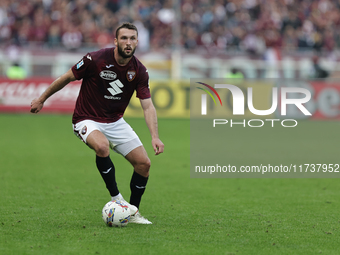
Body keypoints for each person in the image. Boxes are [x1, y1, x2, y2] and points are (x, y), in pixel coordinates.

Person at [30, 22, 164, 224]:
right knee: (102, 147)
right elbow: (67, 77)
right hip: (87, 118)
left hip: (115, 121)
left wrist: (155, 136)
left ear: (137, 41)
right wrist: (42, 99)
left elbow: (147, 106)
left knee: (144, 164)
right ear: (116, 41)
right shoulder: (96, 59)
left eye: (132, 39)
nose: (128, 43)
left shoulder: (139, 71)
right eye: (124, 38)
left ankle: (133, 212)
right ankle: (117, 199)